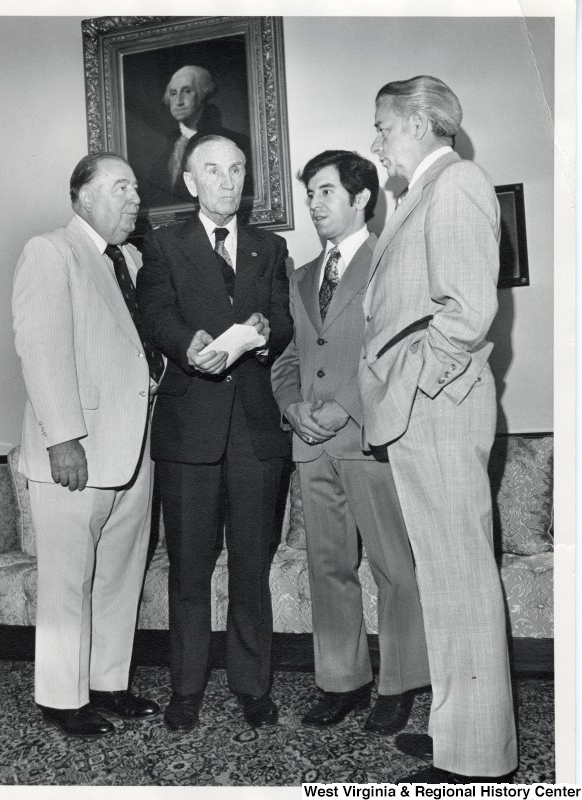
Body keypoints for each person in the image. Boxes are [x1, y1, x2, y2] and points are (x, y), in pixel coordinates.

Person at [360, 75, 518, 782]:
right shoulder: (423, 193)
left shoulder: (455, 185)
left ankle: (479, 761)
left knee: (461, 579)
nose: (376, 143)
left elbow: (468, 311)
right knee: (447, 581)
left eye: (383, 128)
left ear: (420, 123)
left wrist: (418, 383)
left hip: (439, 407)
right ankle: (461, 732)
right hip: (428, 410)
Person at [136, 135, 292, 732]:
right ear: (192, 182)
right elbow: (156, 315)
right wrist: (186, 344)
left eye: (236, 170)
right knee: (189, 568)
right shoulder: (163, 244)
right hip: (188, 430)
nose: (227, 181)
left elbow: (280, 318)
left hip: (255, 433)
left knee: (252, 568)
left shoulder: (269, 248)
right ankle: (186, 689)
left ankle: (252, 687)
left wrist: (263, 326)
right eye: (213, 171)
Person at [271, 150, 430, 734]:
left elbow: (398, 351)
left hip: (370, 439)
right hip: (311, 446)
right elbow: (290, 357)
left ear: (362, 198)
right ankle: (342, 682)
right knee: (327, 566)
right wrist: (291, 407)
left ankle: (402, 683)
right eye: (309, 193)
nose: (313, 204)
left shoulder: (392, 258)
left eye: (326, 192)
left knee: (394, 567)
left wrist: (346, 407)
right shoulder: (303, 275)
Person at [12, 153, 162, 738]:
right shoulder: (50, 252)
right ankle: (60, 699)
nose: (134, 200)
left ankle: (107, 684)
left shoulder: (130, 258)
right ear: (83, 197)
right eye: (120, 187)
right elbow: (42, 349)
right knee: (67, 580)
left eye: (136, 188)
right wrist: (64, 439)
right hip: (75, 450)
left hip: (133, 448)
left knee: (119, 576)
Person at [148, 65, 252, 206]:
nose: (178, 101)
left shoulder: (234, 142)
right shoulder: (171, 143)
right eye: (173, 93)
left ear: (203, 94)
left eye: (187, 91)